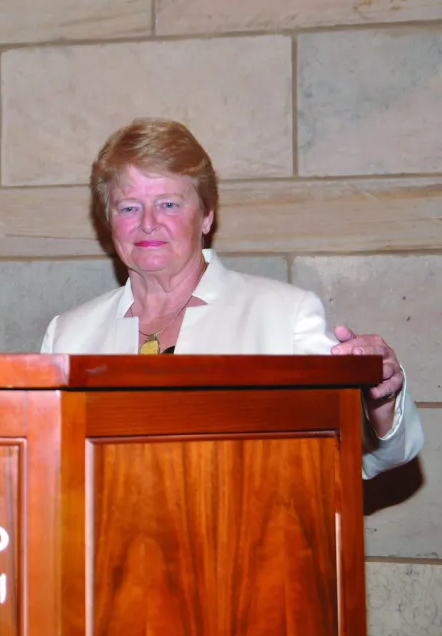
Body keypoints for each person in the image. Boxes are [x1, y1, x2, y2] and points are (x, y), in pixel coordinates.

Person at [40, 117, 423, 480]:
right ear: (109, 221)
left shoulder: (284, 315)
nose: (148, 223)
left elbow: (363, 455)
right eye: (129, 207)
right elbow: (41, 467)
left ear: (206, 215)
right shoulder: (68, 334)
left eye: (169, 204)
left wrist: (380, 402)